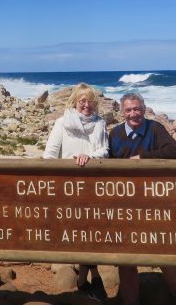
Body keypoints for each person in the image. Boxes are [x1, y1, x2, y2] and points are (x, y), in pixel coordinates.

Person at [109, 92, 176, 305]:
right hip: (124, 202)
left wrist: (143, 158)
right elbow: (108, 164)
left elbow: (174, 152)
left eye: (137, 109)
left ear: (143, 109)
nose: (133, 114)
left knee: (161, 248)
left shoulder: (155, 129)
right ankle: (130, 301)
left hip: (154, 201)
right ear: (122, 112)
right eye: (128, 110)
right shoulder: (115, 134)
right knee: (125, 256)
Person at [43, 83, 109, 300]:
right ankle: (93, 277)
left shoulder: (100, 123)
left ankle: (83, 279)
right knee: (81, 231)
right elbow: (50, 154)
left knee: (90, 232)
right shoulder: (62, 123)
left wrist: (90, 157)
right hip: (68, 187)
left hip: (93, 187)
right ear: (74, 103)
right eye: (82, 101)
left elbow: (105, 151)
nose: (86, 105)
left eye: (90, 101)